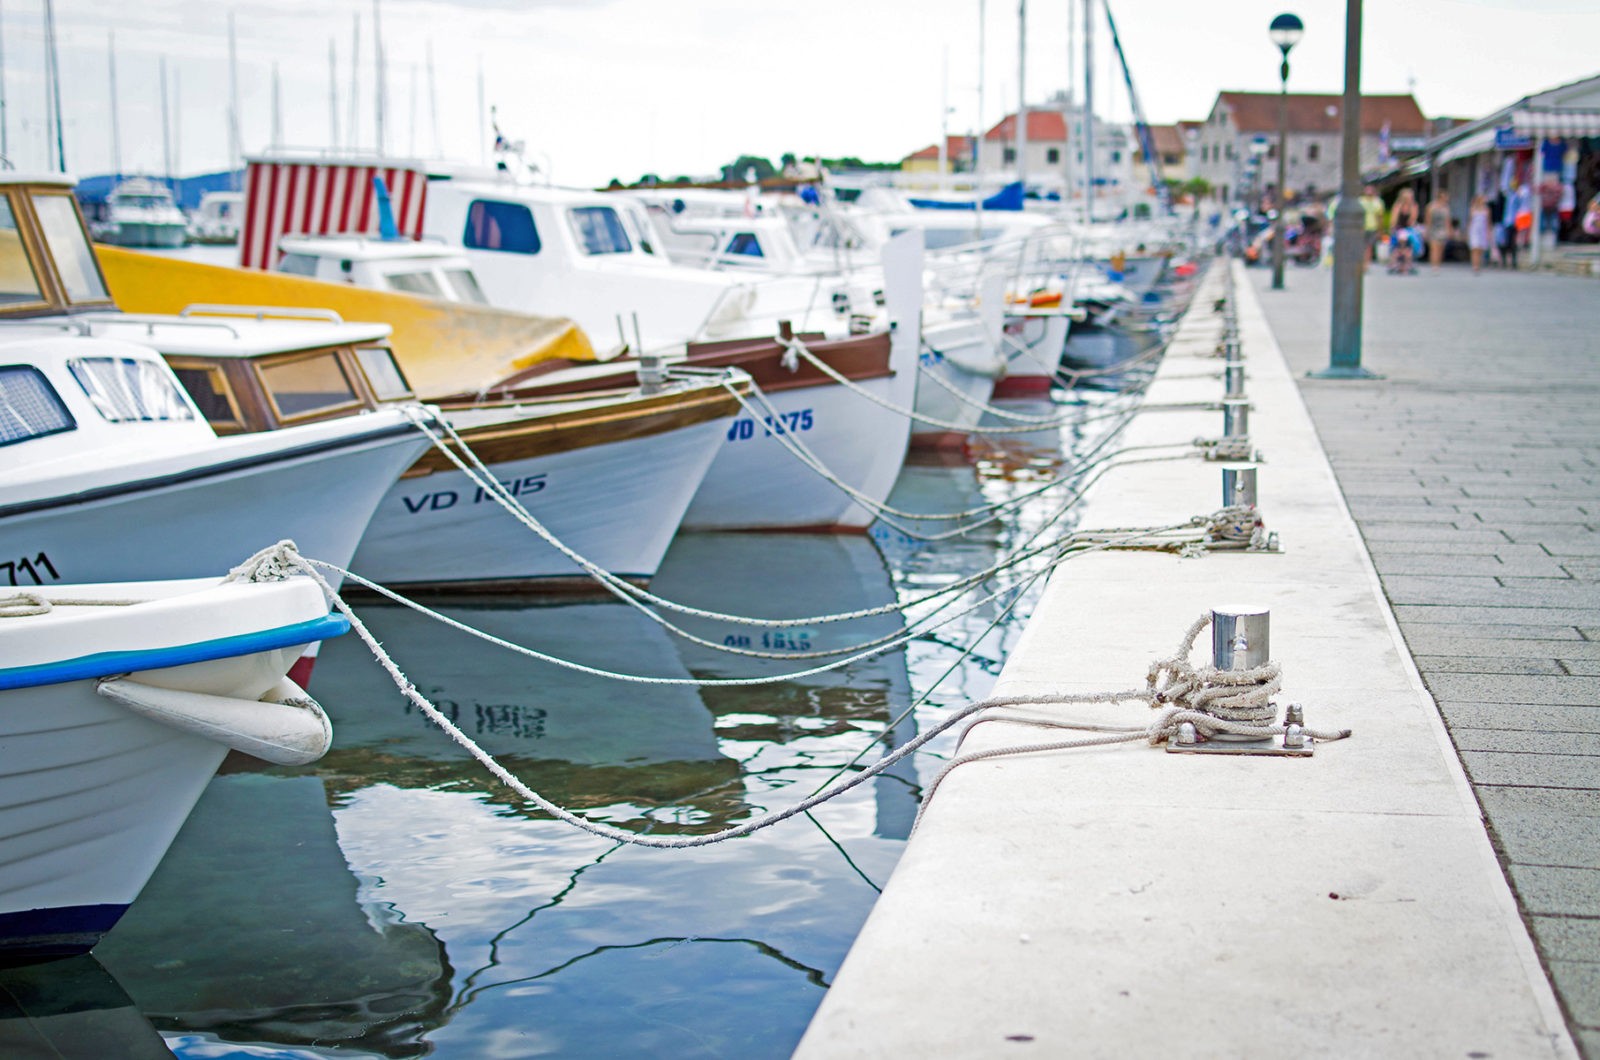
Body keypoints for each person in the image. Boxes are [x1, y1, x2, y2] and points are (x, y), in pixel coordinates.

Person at [1388, 187, 1419, 275]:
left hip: (1408, 230)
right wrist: (1393, 228)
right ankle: (1395, 264)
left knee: (1408, 246)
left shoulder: (1414, 206)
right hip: (1399, 229)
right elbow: (1394, 220)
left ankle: (1407, 264)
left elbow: (1412, 221)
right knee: (1397, 246)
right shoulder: (1397, 206)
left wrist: (1411, 207)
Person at [1359, 185, 1385, 269]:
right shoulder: (1360, 201)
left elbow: (1380, 217)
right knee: (1361, 246)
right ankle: (1361, 263)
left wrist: (1380, 230)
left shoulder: (1378, 202)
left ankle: (1366, 264)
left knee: (1369, 247)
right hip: (1361, 227)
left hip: (1372, 227)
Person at [1424, 191, 1451, 272]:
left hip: (1442, 229)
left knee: (1440, 248)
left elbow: (1447, 220)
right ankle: (1434, 265)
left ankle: (1438, 264)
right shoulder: (1431, 206)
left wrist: (1449, 230)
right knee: (1434, 248)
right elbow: (1427, 220)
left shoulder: (1446, 208)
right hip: (1433, 228)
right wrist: (1427, 230)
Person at [1467, 195, 1491, 274]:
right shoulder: (1473, 209)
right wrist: (1468, 231)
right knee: (1475, 248)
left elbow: (1488, 222)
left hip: (1482, 230)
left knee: (1480, 248)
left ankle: (1478, 264)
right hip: (1474, 230)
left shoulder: (1486, 210)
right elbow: (1470, 221)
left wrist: (1488, 232)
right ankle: (1475, 266)